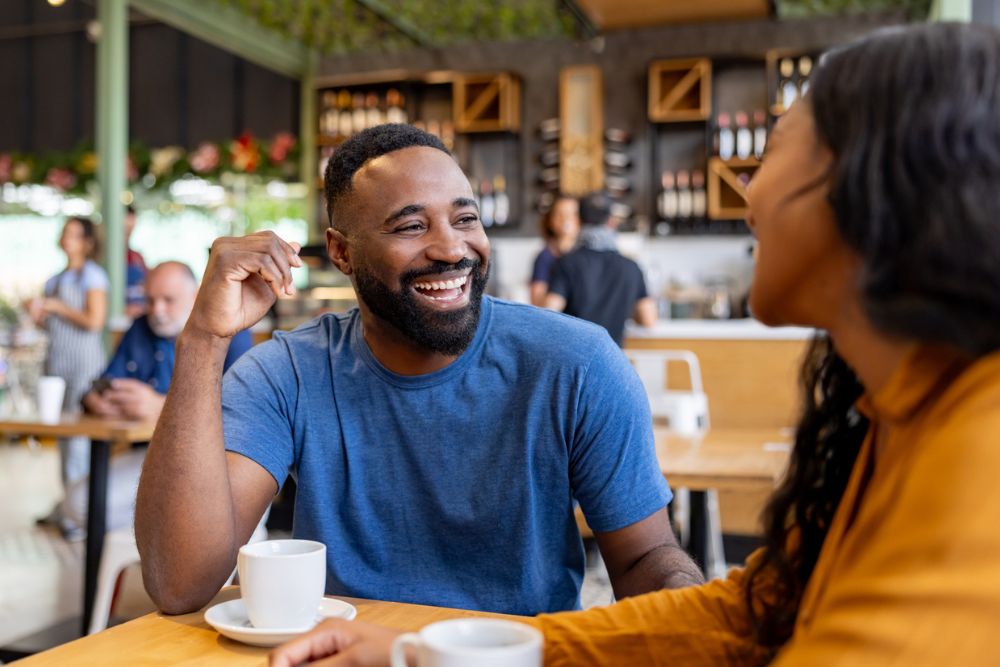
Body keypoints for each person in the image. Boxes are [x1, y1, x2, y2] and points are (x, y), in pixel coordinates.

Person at [269, 23, 1000, 667]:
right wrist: (438, 651)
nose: (745, 194)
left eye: (773, 156)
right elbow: (744, 616)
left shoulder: (978, 459)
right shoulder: (897, 420)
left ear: (875, 190)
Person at [135, 123, 703, 618]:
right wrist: (204, 340)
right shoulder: (288, 372)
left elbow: (644, 558)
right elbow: (181, 583)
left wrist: (692, 610)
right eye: (411, 227)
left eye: (465, 218)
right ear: (341, 252)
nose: (451, 248)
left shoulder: (577, 363)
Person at [65, 261, 253, 533]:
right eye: (150, 300)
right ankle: (162, 541)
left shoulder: (231, 332)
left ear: (196, 295)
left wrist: (162, 407)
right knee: (78, 503)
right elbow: (101, 384)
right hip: (150, 455)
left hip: (214, 463)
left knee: (228, 514)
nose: (157, 310)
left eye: (168, 300)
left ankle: (176, 541)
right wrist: (96, 400)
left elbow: (241, 417)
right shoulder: (140, 328)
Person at [28, 216, 108, 539]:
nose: (66, 240)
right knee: (61, 437)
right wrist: (40, 315)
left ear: (87, 241)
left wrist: (59, 308)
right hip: (56, 364)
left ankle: (80, 514)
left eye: (73, 235)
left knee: (77, 442)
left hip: (83, 367)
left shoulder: (93, 276)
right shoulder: (55, 279)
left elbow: (94, 321)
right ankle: (68, 504)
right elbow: (51, 326)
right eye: (65, 234)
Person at [545, 192, 657, 346]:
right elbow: (648, 320)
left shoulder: (566, 263)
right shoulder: (631, 268)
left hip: (576, 364)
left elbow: (548, 316)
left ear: (579, 221)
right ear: (612, 222)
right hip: (613, 365)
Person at [529, 196, 580, 307]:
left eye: (571, 214)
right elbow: (537, 303)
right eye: (559, 214)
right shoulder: (544, 258)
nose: (565, 219)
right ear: (550, 220)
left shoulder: (586, 256)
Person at [124, 205, 148, 318]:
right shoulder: (102, 259)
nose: (128, 234)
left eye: (131, 229)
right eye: (125, 229)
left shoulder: (137, 257)